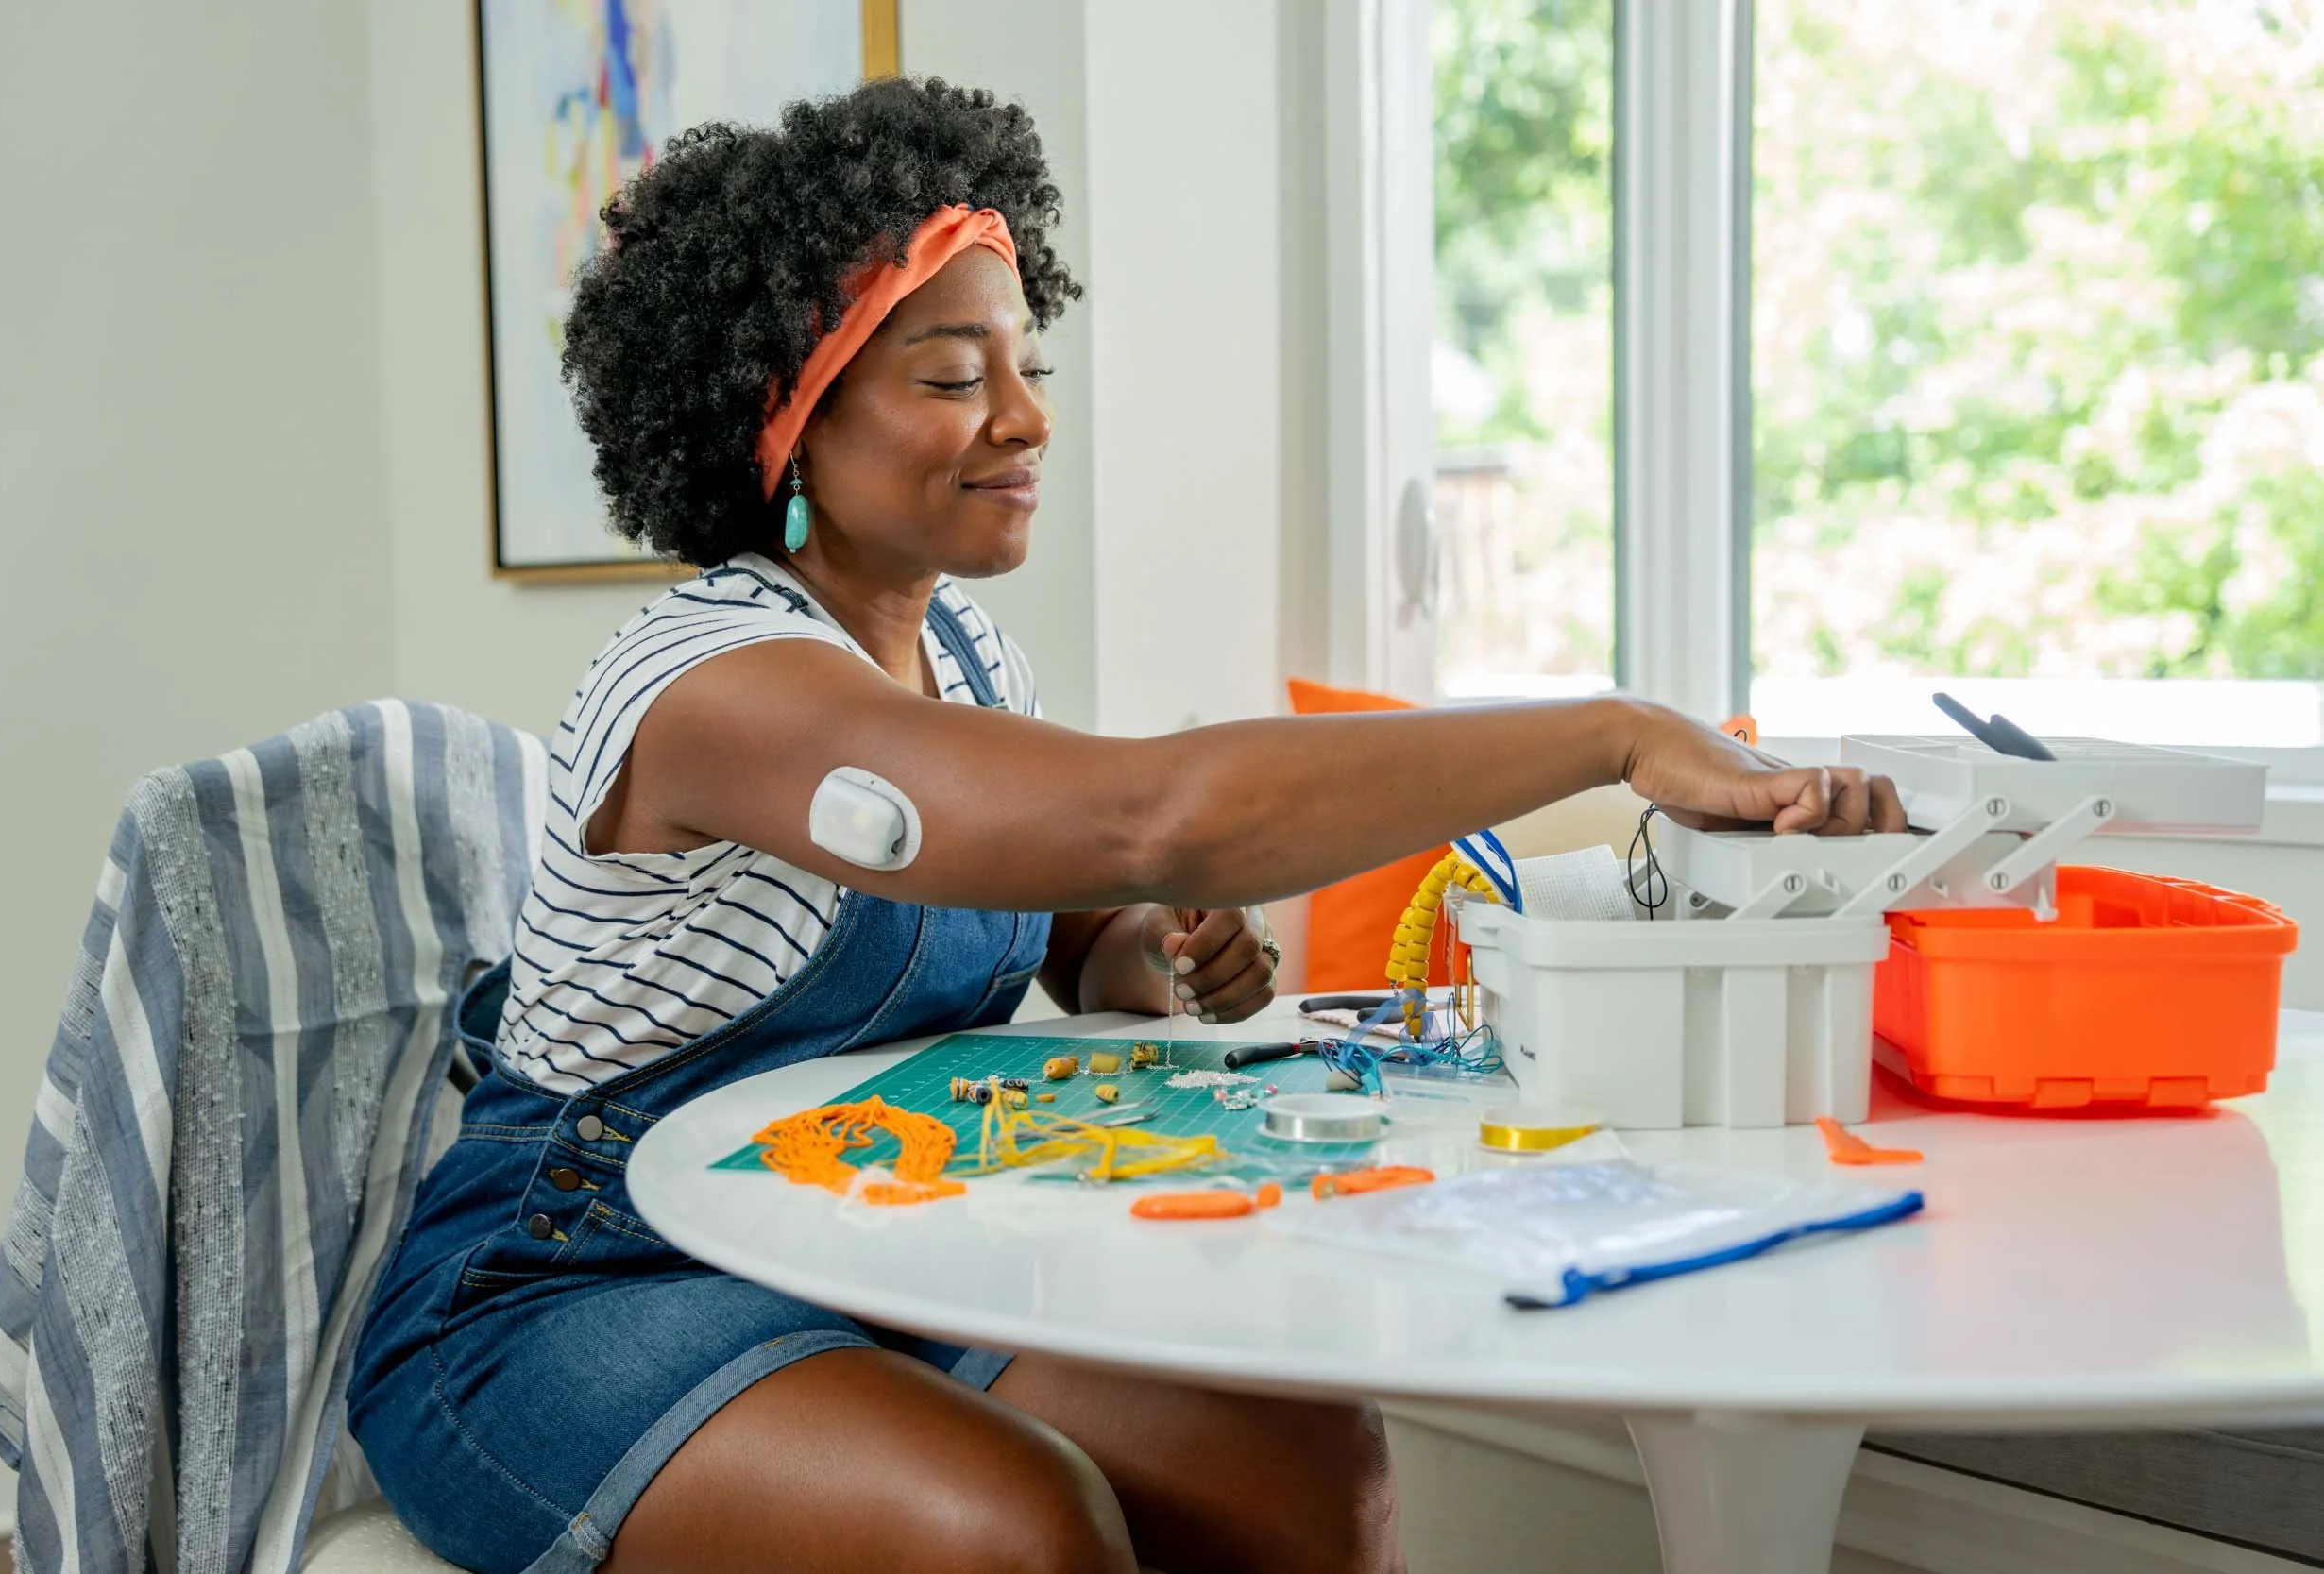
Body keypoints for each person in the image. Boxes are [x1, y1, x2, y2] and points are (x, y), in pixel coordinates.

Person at [348, 76, 1903, 1574]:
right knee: (1011, 1533)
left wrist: (1137, 953)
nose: (1023, 420)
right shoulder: (721, 690)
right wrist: (1616, 732)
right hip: (571, 1283)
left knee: (1309, 1474)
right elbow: (1147, 812)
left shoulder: (961, 656)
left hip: (844, 1224)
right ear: (788, 426)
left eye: (1027, 368)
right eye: (954, 378)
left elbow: (1076, 909)